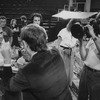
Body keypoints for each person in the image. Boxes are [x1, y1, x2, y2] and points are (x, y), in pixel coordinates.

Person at [0, 24, 72, 100]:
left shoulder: (27, 71)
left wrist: (7, 60)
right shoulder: (55, 52)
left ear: (24, 44)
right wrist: (30, 58)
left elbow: (9, 86)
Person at [78, 24, 100, 100]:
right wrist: (80, 41)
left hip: (96, 75)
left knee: (94, 97)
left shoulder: (94, 38)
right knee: (81, 96)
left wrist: (93, 34)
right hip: (85, 70)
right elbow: (84, 57)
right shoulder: (93, 38)